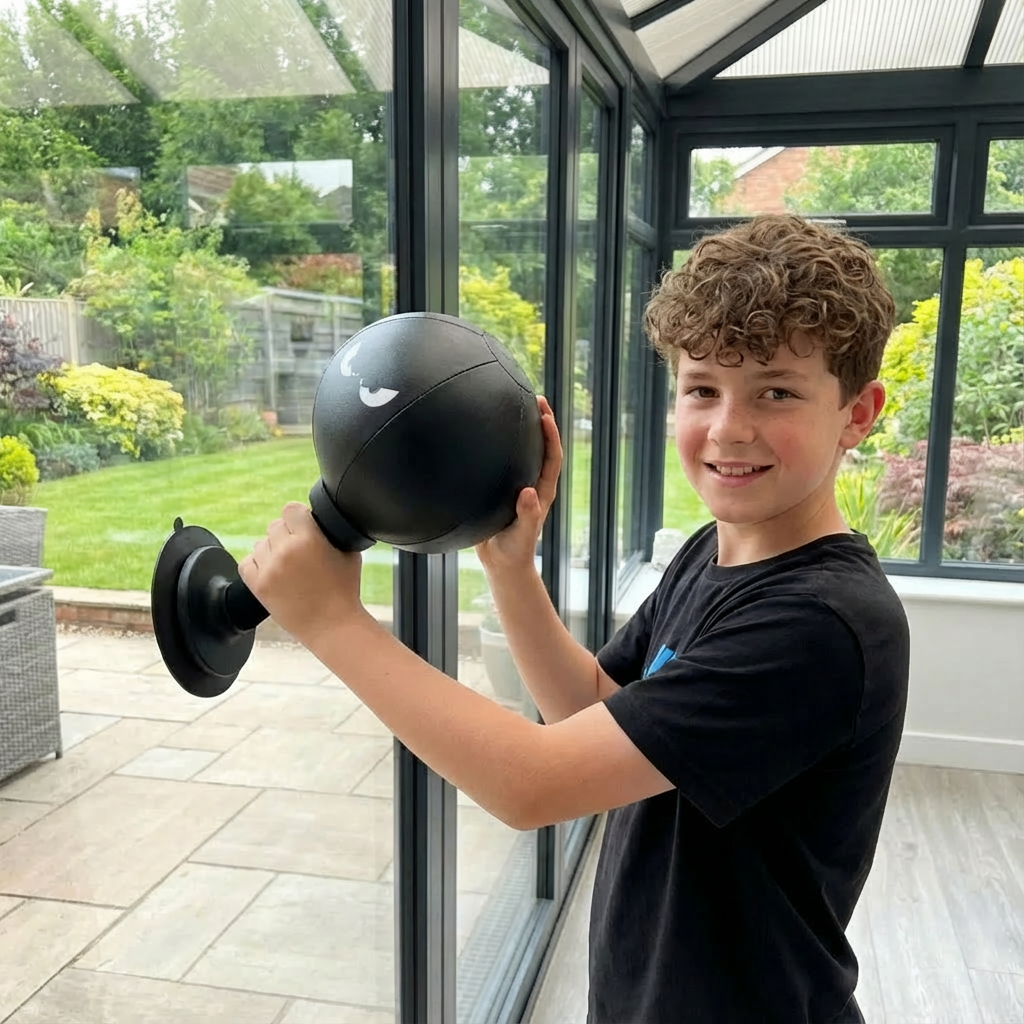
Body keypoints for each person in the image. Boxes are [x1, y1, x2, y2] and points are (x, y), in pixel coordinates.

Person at [239, 213, 911, 1024]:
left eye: (777, 391)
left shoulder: (820, 625)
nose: (729, 428)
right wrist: (511, 569)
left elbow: (534, 784)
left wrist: (332, 623)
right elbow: (588, 708)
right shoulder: (714, 552)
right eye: (702, 388)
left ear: (857, 413)